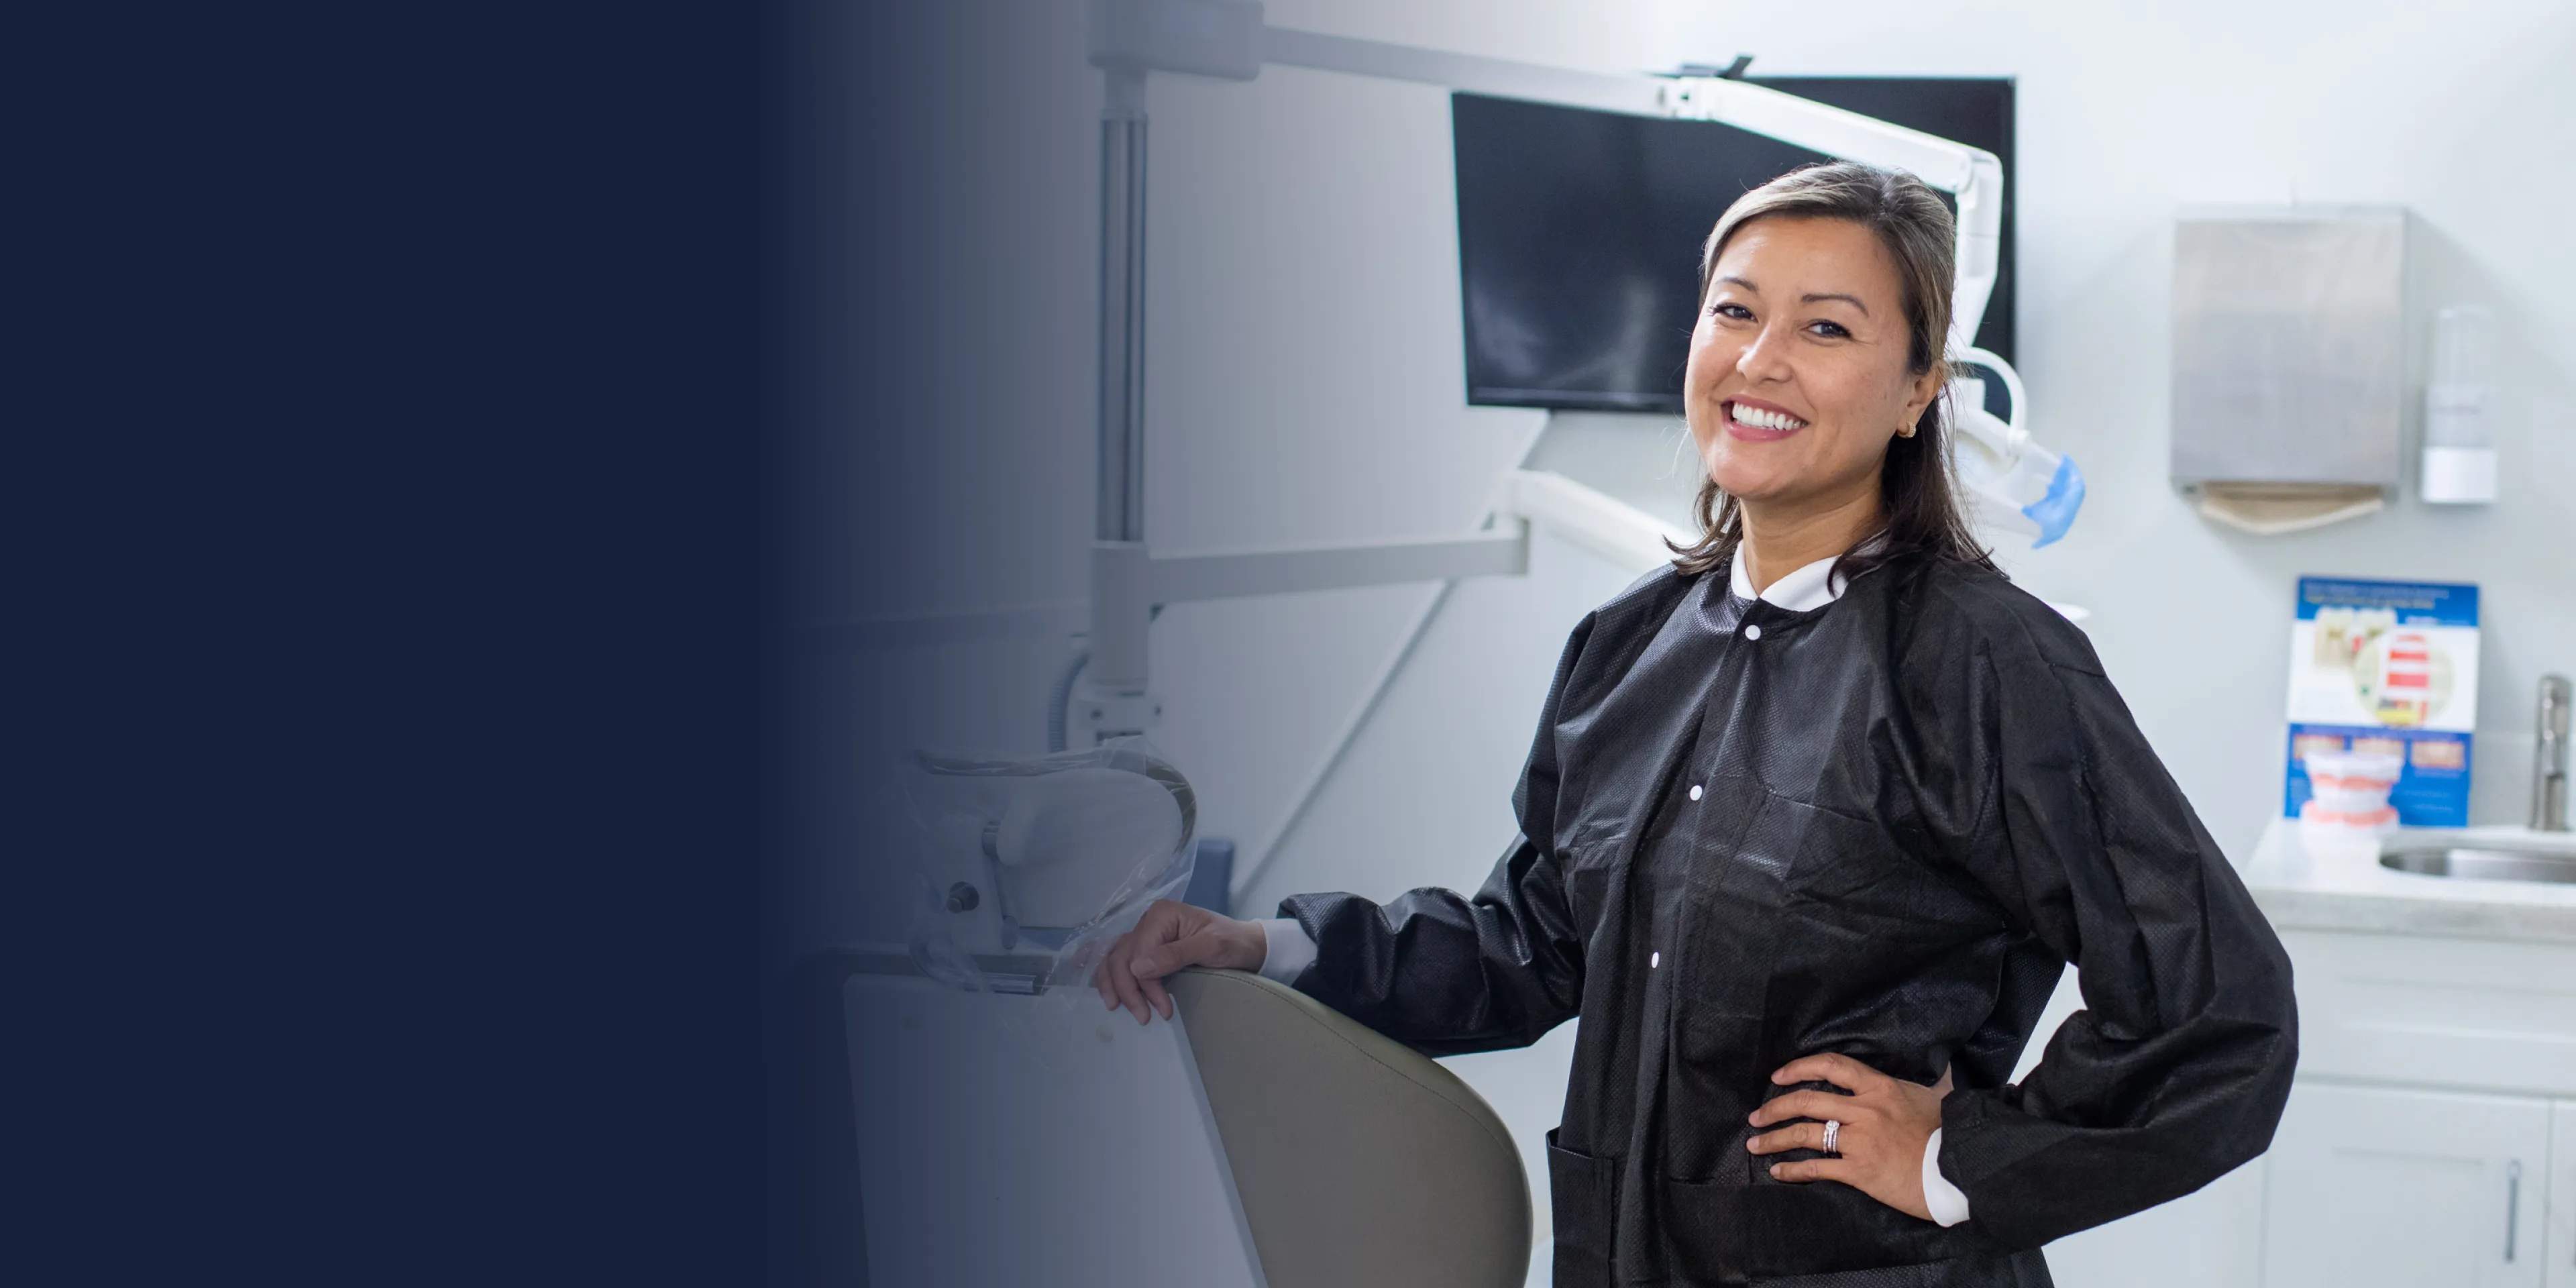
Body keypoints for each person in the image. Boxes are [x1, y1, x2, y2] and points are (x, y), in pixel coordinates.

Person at [1092, 162, 2297, 1287]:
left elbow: (2216, 1010)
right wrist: (1264, 951)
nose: (1762, 360)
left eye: (1827, 328)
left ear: (1923, 388)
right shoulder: (1627, 645)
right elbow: (1538, 941)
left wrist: (1960, 1158)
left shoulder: (1990, 663)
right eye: (1735, 312)